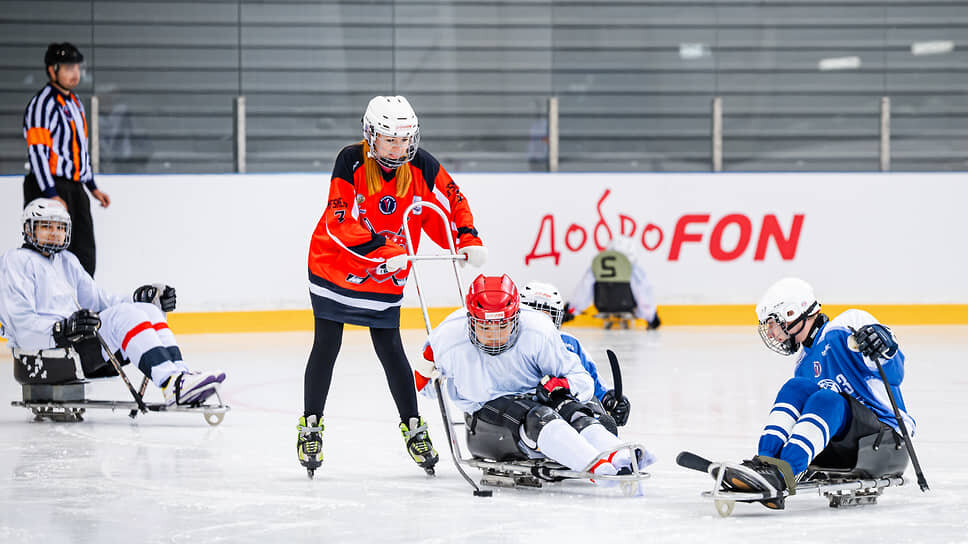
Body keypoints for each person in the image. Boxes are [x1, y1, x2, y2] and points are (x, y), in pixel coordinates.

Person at [298, 95, 487, 476]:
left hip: (388, 269)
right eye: (390, 139)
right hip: (335, 266)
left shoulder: (421, 164)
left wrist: (465, 237)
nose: (399, 147)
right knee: (327, 344)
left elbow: (451, 199)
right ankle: (311, 425)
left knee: (390, 347)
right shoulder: (350, 160)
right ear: (371, 136)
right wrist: (385, 248)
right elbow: (339, 219)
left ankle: (413, 426)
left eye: (405, 139)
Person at [415, 274, 654, 484]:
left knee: (572, 409)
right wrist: (426, 367)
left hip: (534, 403)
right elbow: (424, 388)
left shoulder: (538, 330)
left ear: (518, 317)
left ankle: (617, 455)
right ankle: (596, 467)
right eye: (486, 327)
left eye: (503, 325)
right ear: (470, 320)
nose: (495, 337)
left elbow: (581, 378)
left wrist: (564, 385)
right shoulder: (448, 338)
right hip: (485, 420)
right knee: (539, 417)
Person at [0, 198, 226, 406]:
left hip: (74, 346)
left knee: (146, 310)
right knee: (122, 316)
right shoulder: (16, 262)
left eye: (60, 228)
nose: (54, 233)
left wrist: (140, 299)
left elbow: (101, 301)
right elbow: (20, 325)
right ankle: (171, 384)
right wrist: (61, 329)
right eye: (46, 226)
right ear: (29, 229)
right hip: (44, 355)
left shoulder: (67, 261)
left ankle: (180, 377)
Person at [717, 277, 914, 509]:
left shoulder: (846, 326)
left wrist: (885, 345)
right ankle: (767, 465)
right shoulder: (803, 363)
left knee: (826, 398)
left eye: (772, 323)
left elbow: (895, 374)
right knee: (796, 387)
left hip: (884, 442)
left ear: (792, 313)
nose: (770, 332)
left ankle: (784, 474)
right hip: (841, 447)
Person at [23, 43, 110, 277]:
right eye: (68, 67)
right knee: (47, 249)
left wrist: (92, 186)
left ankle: (81, 307)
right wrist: (51, 194)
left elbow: (79, 150)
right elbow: (38, 152)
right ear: (52, 70)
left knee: (83, 250)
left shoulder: (75, 103)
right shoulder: (42, 104)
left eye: (77, 67)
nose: (75, 73)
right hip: (49, 186)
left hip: (74, 187)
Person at [520, 281, 631, 430]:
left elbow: (591, 382)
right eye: (535, 317)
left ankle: (599, 436)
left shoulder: (569, 343)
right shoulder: (507, 344)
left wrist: (609, 399)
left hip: (564, 407)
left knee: (590, 409)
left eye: (547, 317)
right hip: (526, 412)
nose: (540, 325)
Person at [564, 235, 659, 329]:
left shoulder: (596, 265)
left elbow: (584, 289)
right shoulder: (633, 269)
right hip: (627, 305)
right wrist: (651, 317)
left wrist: (572, 309)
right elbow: (642, 292)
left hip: (602, 305)